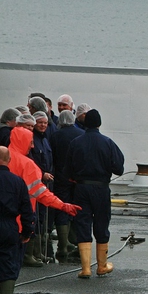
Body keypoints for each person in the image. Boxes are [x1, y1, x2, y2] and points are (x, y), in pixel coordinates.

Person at [6, 127, 81, 267]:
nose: (33, 146)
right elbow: (42, 194)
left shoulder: (0, 158)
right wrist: (63, 206)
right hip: (19, 221)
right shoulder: (28, 165)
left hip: (0, 219)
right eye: (31, 142)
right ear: (23, 141)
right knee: (10, 269)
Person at [65, 109, 124, 278]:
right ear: (99, 124)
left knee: (82, 223)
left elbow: (67, 170)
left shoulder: (76, 142)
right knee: (101, 224)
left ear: (84, 123)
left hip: (81, 188)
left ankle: (85, 268)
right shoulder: (108, 143)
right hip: (101, 188)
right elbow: (119, 168)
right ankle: (101, 266)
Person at [0, 146, 36, 294]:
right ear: (9, 160)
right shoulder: (17, 182)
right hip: (8, 226)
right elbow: (27, 210)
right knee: (8, 266)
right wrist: (27, 232)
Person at [50, 110, 84, 261]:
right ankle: (75, 240)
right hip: (77, 178)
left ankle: (63, 246)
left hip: (60, 177)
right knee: (76, 207)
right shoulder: (81, 133)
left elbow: (52, 157)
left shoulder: (55, 135)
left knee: (62, 207)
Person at [31, 111, 56, 262]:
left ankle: (38, 251)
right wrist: (42, 174)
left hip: (45, 183)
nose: (43, 125)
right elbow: (31, 161)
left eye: (45, 123)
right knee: (36, 216)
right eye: (40, 122)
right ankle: (32, 253)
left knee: (42, 217)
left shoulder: (45, 139)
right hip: (37, 182)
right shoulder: (32, 139)